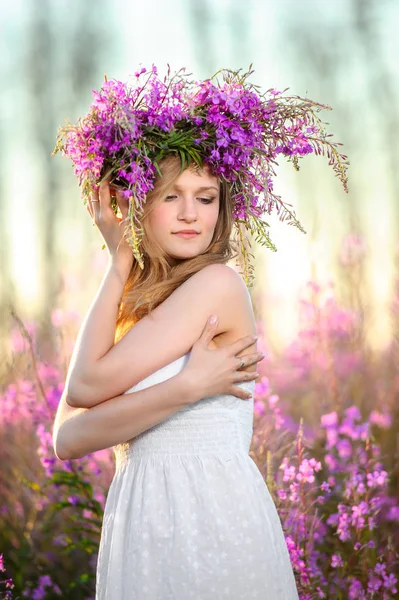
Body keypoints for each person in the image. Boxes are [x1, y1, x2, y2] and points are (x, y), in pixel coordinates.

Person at [53, 156, 300, 599]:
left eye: (205, 198)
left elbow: (86, 387)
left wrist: (118, 262)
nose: (191, 213)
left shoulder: (218, 284)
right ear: (139, 204)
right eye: (171, 196)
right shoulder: (130, 305)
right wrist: (186, 388)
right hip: (143, 523)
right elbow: (67, 440)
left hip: (210, 517)